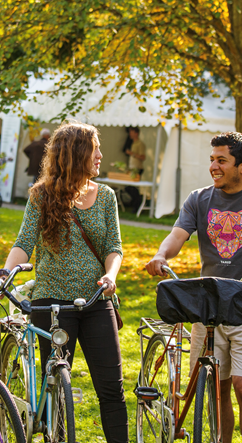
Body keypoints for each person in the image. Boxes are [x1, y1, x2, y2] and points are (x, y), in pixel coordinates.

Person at [146, 132, 242, 443]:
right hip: (209, 306)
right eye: (212, 160)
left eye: (221, 160)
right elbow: (177, 235)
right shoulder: (199, 199)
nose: (213, 166)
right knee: (217, 387)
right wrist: (161, 255)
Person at [1, 121, 128, 443]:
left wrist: (110, 277)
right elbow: (24, 242)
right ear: (77, 153)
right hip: (51, 303)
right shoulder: (41, 195)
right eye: (95, 148)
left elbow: (114, 247)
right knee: (55, 388)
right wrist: (5, 272)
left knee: (112, 390)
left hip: (97, 300)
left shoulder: (106, 196)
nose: (101, 154)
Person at [124, 126, 146, 213]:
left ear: (136, 133)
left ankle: (137, 204)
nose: (130, 134)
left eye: (131, 132)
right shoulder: (132, 143)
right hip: (132, 168)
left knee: (131, 188)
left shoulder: (140, 144)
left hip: (137, 169)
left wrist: (132, 154)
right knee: (128, 187)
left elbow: (143, 157)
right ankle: (136, 203)